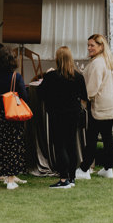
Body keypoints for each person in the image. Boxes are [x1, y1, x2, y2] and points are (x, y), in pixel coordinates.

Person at [37, 46, 88, 189]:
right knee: (71, 145)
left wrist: (46, 75)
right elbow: (84, 97)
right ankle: (72, 177)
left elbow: (41, 93)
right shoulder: (78, 76)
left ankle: (63, 178)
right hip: (73, 114)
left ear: (57, 59)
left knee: (60, 146)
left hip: (57, 114)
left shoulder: (51, 76)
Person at [0, 45, 29, 189]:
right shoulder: (16, 76)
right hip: (11, 114)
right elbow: (24, 96)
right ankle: (10, 180)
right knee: (12, 146)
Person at [79, 33, 113, 179]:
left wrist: (83, 100)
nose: (89, 48)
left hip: (99, 105)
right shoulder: (107, 60)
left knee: (92, 138)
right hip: (109, 104)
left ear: (101, 46)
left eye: (92, 45)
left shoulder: (97, 63)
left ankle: (84, 170)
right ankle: (108, 168)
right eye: (88, 45)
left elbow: (93, 87)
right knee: (107, 138)